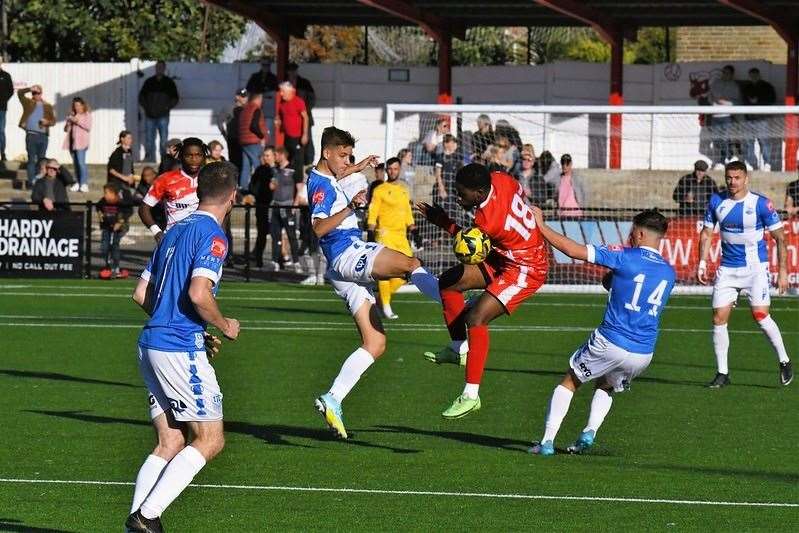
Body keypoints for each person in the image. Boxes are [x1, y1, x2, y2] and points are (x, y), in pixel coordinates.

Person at [126, 161, 240, 533]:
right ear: (233, 197)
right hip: (176, 347)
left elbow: (142, 293)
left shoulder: (174, 231)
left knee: (171, 439)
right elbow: (198, 292)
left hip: (150, 343)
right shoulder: (213, 235)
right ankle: (146, 517)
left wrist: (191, 325)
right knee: (210, 439)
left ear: (197, 191)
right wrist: (223, 325)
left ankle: (135, 526)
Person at [308, 126, 441, 439]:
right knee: (411, 263)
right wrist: (350, 208)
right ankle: (457, 306)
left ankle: (333, 399)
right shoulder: (321, 188)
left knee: (376, 343)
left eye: (349, 156)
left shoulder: (326, 173)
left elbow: (338, 174)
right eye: (343, 156)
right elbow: (318, 228)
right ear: (327, 153)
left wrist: (358, 166)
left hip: (341, 268)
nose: (347, 161)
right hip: (346, 253)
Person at [528, 209, 676, 456]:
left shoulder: (625, 256)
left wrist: (541, 227)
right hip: (643, 353)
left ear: (639, 232)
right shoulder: (669, 273)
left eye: (632, 231)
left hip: (611, 340)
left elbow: (573, 251)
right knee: (606, 385)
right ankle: (589, 432)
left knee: (570, 381)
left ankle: (546, 442)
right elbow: (629, 287)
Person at [418, 164, 548, 419]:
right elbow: (520, 193)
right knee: (448, 282)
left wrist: (442, 221)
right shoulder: (501, 178)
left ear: (479, 193)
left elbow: (469, 240)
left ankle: (471, 395)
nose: (458, 196)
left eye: (462, 193)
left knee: (476, 318)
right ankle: (458, 349)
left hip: (525, 268)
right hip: (505, 255)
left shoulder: (487, 220)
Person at [698, 161, 792, 388]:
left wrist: (782, 270)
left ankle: (784, 360)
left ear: (746, 178)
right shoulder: (716, 201)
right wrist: (702, 262)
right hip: (728, 269)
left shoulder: (761, 204)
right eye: (729, 177)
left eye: (737, 177)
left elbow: (780, 237)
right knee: (719, 318)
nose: (732, 182)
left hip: (755, 269)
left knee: (760, 315)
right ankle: (722, 373)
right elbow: (707, 233)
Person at [367, 157, 418, 319]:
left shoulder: (403, 190)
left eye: (396, 169)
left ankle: (380, 300)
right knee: (384, 271)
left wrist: (414, 230)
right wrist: (370, 231)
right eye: (390, 169)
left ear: (399, 170)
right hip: (384, 234)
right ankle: (386, 307)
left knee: (409, 270)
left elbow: (407, 213)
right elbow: (373, 212)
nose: (393, 172)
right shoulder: (379, 190)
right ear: (386, 170)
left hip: (401, 236)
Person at [139, 138, 208, 242]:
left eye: (198, 155)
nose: (194, 159)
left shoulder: (211, 179)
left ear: (203, 157)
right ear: (180, 156)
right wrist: (156, 232)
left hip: (202, 240)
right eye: (189, 155)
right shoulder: (165, 179)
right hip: (174, 240)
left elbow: (225, 207)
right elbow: (144, 208)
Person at [139, 61, 179, 162]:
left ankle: (164, 160)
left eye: (161, 67)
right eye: (157, 67)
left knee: (164, 140)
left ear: (164, 68)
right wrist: (146, 108)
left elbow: (175, 98)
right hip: (149, 116)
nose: (159, 69)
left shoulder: (169, 82)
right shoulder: (149, 82)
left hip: (163, 116)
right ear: (155, 68)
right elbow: (141, 97)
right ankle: (148, 158)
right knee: (149, 139)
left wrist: (166, 107)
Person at [244, 146, 275, 268]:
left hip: (277, 205)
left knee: (278, 234)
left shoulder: (278, 169)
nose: (266, 158)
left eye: (268, 155)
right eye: (265, 155)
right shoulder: (260, 170)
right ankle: (259, 259)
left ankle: (279, 260)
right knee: (262, 233)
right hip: (262, 205)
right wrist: (254, 196)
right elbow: (253, 185)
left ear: (274, 156)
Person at [18, 85, 56, 187]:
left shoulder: (48, 106)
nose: (36, 95)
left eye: (38, 93)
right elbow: (19, 93)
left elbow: (53, 121)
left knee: (41, 160)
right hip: (31, 135)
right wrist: (30, 88)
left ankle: (39, 182)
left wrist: (47, 122)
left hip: (43, 136)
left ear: (41, 93)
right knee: (31, 160)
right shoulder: (28, 103)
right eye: (34, 93)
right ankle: (31, 183)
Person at [270, 146, 300, 270]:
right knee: (275, 235)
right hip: (276, 206)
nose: (275, 157)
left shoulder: (293, 169)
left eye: (276, 155)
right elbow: (272, 187)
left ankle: (296, 262)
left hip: (288, 206)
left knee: (291, 235)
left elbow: (300, 188)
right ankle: (275, 262)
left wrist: (295, 204)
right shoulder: (276, 170)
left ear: (282, 155)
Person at [741, 67, 777, 171]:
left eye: (755, 75)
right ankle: (752, 164)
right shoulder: (746, 87)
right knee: (748, 142)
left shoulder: (767, 86)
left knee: (764, 142)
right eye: (751, 75)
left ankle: (767, 163)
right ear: (749, 76)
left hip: (762, 119)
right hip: (749, 119)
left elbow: (772, 99)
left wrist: (758, 100)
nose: (753, 77)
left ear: (759, 75)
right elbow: (743, 100)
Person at [96, 183, 133, 279]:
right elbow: (98, 207)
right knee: (104, 247)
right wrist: (100, 215)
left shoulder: (121, 203)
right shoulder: (102, 201)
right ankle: (108, 265)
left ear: (114, 194)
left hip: (117, 229)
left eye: (107, 193)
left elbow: (128, 212)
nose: (105, 195)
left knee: (114, 246)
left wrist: (120, 222)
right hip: (106, 228)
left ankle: (115, 267)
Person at [709, 65, 742, 169]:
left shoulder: (734, 86)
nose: (725, 74)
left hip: (727, 116)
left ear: (732, 74)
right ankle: (722, 159)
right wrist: (715, 101)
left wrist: (725, 102)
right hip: (715, 115)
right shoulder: (716, 83)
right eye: (724, 72)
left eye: (727, 73)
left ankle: (726, 159)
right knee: (717, 140)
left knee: (726, 139)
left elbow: (736, 102)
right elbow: (711, 97)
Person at [275, 81, 309, 180]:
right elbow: (281, 117)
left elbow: (305, 118)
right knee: (287, 158)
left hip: (298, 136)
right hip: (287, 136)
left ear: (289, 91)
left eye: (282, 91)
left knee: (298, 160)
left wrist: (305, 134)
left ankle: (298, 181)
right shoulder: (282, 103)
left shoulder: (298, 101)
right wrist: (278, 122)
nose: (281, 94)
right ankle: (288, 179)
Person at [237, 92, 268, 190]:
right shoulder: (256, 109)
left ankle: (243, 188)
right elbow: (254, 126)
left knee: (246, 167)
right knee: (258, 165)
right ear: (258, 99)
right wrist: (262, 136)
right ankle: (261, 187)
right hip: (253, 141)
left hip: (243, 141)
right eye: (261, 100)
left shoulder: (244, 109)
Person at [286, 62, 316, 163]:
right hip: (290, 118)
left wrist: (304, 110)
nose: (292, 73)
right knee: (291, 140)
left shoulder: (304, 83)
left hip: (304, 117)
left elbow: (312, 99)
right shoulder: (285, 84)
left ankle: (309, 162)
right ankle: (292, 161)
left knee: (307, 139)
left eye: (294, 70)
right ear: (288, 72)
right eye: (290, 71)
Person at [434, 134, 465, 227]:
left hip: (456, 188)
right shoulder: (441, 157)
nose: (451, 144)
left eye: (453, 142)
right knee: (447, 213)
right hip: (447, 188)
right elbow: (438, 174)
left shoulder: (458, 156)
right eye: (447, 142)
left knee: (457, 214)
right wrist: (441, 188)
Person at [63, 97, 92, 193]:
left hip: (82, 143)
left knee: (81, 163)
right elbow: (66, 130)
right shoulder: (73, 115)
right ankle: (78, 182)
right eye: (75, 105)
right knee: (75, 164)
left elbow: (88, 127)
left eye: (79, 105)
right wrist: (68, 122)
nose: (77, 107)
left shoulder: (86, 115)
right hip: (72, 143)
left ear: (83, 105)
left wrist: (77, 121)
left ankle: (84, 183)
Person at [218, 88, 247, 172]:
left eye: (245, 96)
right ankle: (233, 181)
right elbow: (219, 121)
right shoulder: (229, 108)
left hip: (243, 139)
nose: (244, 98)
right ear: (237, 97)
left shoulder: (247, 109)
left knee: (243, 162)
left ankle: (241, 182)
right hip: (233, 138)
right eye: (241, 96)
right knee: (233, 161)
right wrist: (224, 134)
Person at [0, 61, 14, 161]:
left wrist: (4, 99)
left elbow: (11, 90)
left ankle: (2, 153)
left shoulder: (6, 75)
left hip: (2, 108)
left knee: (1, 131)